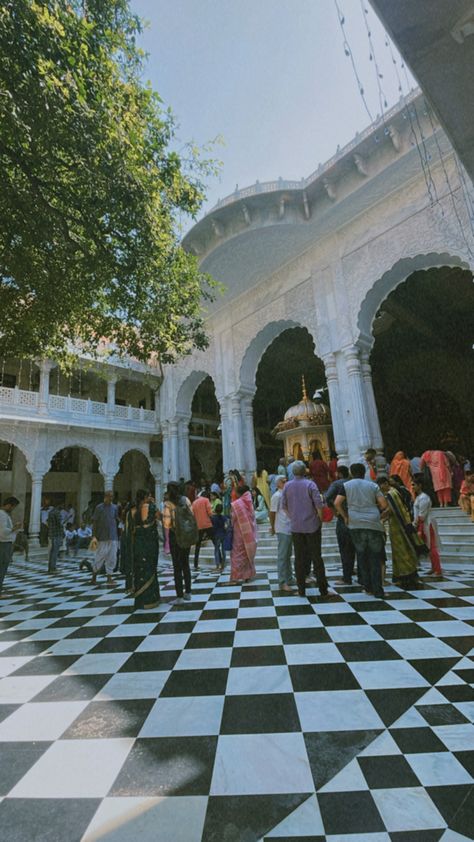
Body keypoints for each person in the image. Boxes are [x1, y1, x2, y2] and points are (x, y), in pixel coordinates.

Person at [335, 463, 388, 599]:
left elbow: (337, 503)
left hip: (355, 522)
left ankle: (367, 586)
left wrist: (345, 516)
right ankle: (378, 589)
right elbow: (383, 505)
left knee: (362, 555)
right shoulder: (373, 485)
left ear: (352, 473)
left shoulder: (346, 486)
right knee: (375, 557)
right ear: (364, 472)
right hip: (373, 522)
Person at [280, 460, 331, 598]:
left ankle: (301, 590)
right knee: (316, 558)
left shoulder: (287, 486)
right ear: (305, 471)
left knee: (299, 558)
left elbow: (283, 505)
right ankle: (323, 590)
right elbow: (318, 504)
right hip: (312, 526)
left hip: (296, 527)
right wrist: (319, 519)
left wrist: (293, 517)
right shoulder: (310, 484)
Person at [378, 477, 421, 589]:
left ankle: (406, 576)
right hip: (396, 526)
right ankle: (401, 576)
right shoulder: (393, 492)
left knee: (402, 551)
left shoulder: (392, 494)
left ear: (385, 483)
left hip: (399, 527)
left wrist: (380, 517)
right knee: (399, 552)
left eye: (381, 485)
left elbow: (391, 510)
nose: (380, 488)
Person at [326, 465, 356, 585]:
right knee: (357, 548)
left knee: (345, 549)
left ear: (338, 473)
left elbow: (328, 497)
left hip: (343, 517)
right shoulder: (354, 483)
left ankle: (347, 576)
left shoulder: (337, 484)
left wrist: (335, 511)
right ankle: (362, 576)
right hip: (357, 517)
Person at [164, 481, 193, 603]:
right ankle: (188, 592)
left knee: (177, 567)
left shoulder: (168, 504)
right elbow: (192, 515)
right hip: (185, 535)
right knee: (185, 564)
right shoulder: (186, 500)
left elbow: (167, 523)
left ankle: (179, 596)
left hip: (175, 536)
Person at [132, 489, 161, 609]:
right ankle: (149, 599)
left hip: (138, 543)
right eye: (149, 495)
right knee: (149, 567)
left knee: (141, 568)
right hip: (148, 542)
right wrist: (154, 505)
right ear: (145, 497)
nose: (150, 497)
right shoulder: (150, 507)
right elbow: (160, 517)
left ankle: (141, 599)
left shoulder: (134, 509)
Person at [413, 476, 443, 576]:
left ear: (419, 485)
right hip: (424, 523)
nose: (413, 487)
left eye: (414, 485)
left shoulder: (424, 497)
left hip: (427, 523)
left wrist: (415, 525)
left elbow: (422, 515)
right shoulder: (419, 497)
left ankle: (437, 569)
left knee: (432, 546)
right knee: (429, 546)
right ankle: (433, 568)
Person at [270, 476, 295, 592]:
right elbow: (272, 513)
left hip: (290, 526)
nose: (285, 482)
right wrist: (273, 527)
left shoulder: (288, 494)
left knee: (288, 554)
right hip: (282, 527)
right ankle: (282, 581)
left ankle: (289, 578)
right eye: (282, 481)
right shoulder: (276, 496)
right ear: (277, 484)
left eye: (286, 480)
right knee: (283, 555)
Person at [90, 490, 119, 587]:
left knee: (112, 557)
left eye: (112, 496)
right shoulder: (99, 508)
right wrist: (94, 536)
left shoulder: (115, 507)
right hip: (102, 537)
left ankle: (109, 578)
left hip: (113, 536)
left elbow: (116, 519)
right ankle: (94, 576)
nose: (111, 498)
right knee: (99, 557)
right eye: (109, 496)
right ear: (105, 496)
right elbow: (95, 522)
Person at [230, 485, 257, 583]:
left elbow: (233, 518)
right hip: (249, 532)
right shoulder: (249, 501)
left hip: (239, 533)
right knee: (246, 553)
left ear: (238, 493)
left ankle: (235, 578)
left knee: (237, 554)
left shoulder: (237, 504)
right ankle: (247, 575)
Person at [0, 496, 21, 595]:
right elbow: (3, 532)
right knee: (2, 567)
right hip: (4, 544)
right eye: (13, 507)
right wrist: (15, 528)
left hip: (5, 543)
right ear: (9, 505)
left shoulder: (4, 515)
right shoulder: (2, 515)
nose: (13, 509)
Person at [191, 492, 213, 569]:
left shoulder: (194, 502)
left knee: (198, 546)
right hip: (207, 524)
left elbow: (192, 514)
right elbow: (210, 512)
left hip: (198, 525)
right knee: (215, 542)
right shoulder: (206, 500)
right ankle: (219, 561)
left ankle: (195, 564)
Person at [211, 502, 229, 571]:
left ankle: (217, 565)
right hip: (223, 535)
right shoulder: (224, 517)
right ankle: (223, 565)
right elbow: (226, 525)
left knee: (216, 550)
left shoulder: (213, 518)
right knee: (223, 550)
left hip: (216, 535)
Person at [47, 503, 64, 574]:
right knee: (55, 552)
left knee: (52, 551)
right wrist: (63, 533)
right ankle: (53, 568)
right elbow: (60, 524)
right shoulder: (57, 513)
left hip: (52, 534)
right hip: (57, 534)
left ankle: (50, 567)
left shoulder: (50, 512)